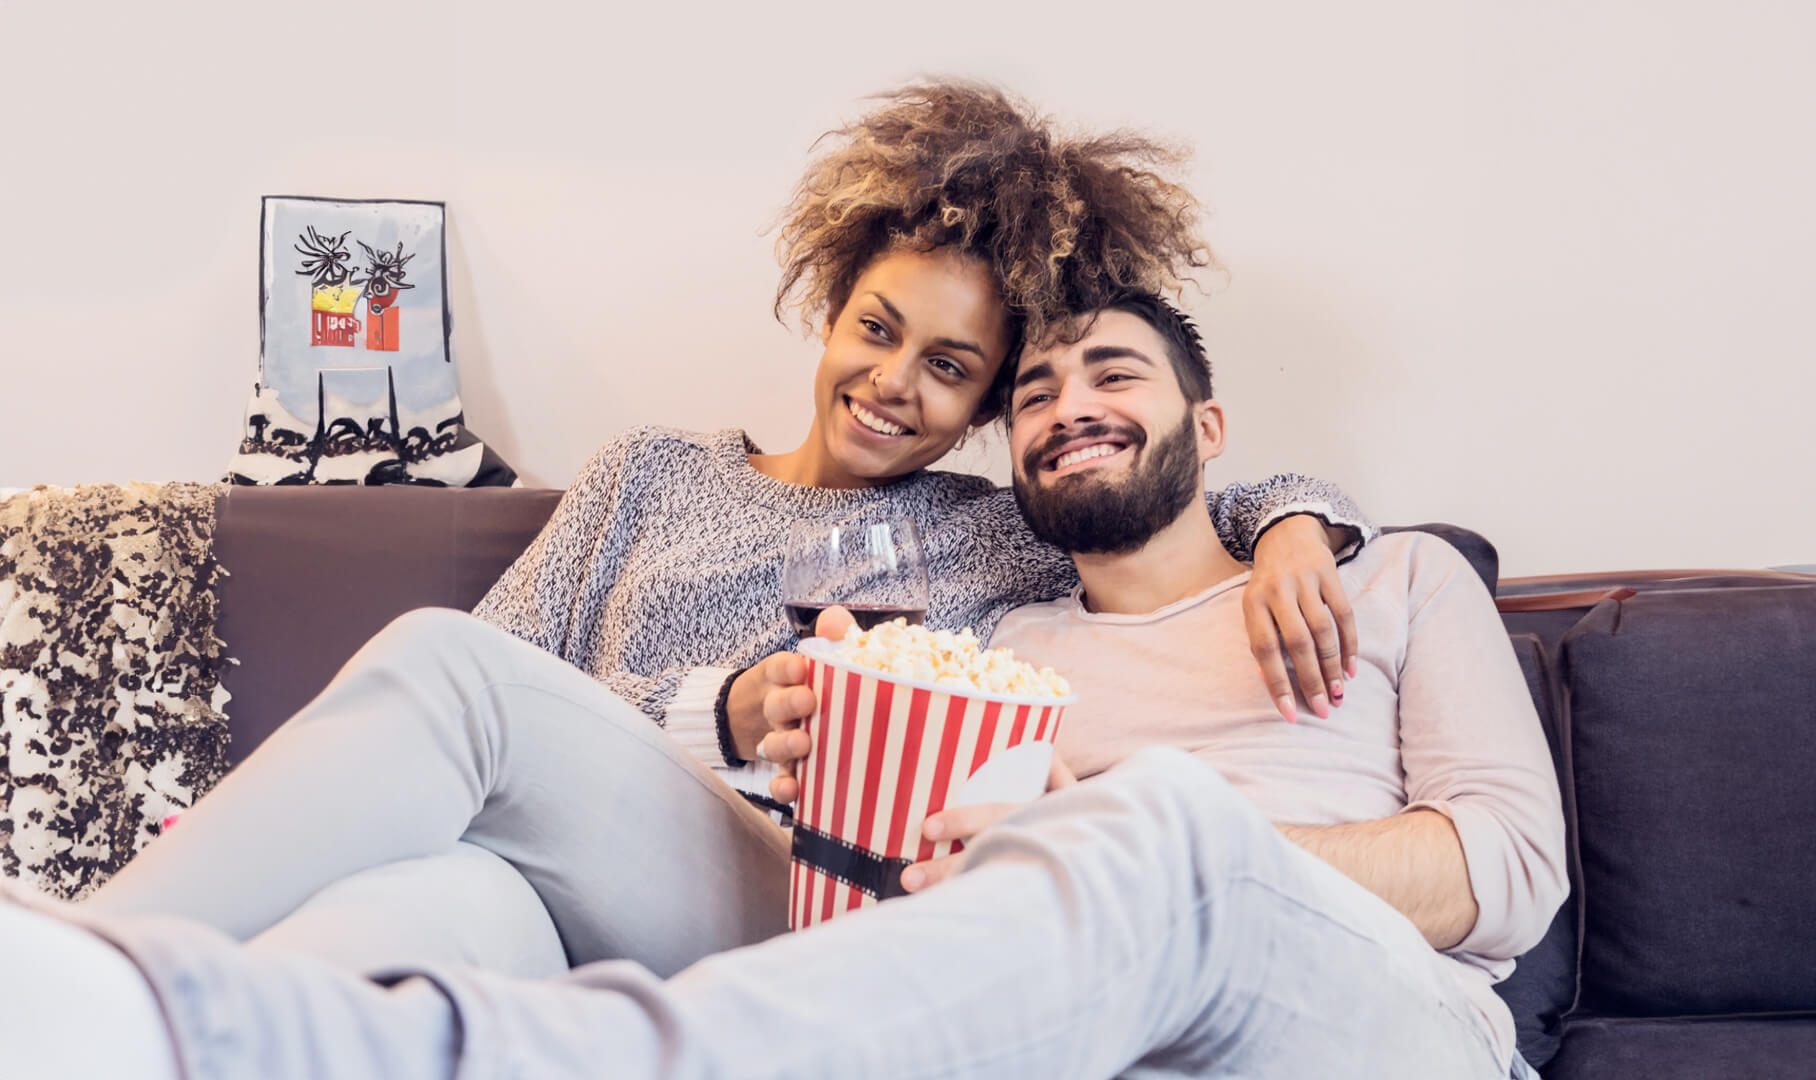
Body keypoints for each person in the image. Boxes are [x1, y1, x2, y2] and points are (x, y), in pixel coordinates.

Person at [0, 291, 1562, 1079]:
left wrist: (1151, 824)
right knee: (452, 735)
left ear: (1209, 433)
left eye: (1114, 380)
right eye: (1032, 396)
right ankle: (90, 1004)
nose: (1067, 411)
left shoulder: (1390, 578)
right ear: (1001, 462)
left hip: (1370, 1013)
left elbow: (1505, 877)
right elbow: (899, 883)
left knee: (1149, 833)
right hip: (1059, 1002)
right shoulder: (1009, 630)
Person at [79, 83, 1375, 980]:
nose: (893, 383)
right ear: (830, 308)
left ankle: (66, 951)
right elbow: (496, 690)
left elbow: (1159, 491)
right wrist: (725, 706)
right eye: (878, 330)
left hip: (802, 898)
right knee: (405, 916)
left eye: (949, 366)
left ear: (985, 403)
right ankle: (86, 1021)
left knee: (434, 663)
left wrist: (1299, 524)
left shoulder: (999, 537)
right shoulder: (646, 476)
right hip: (557, 879)